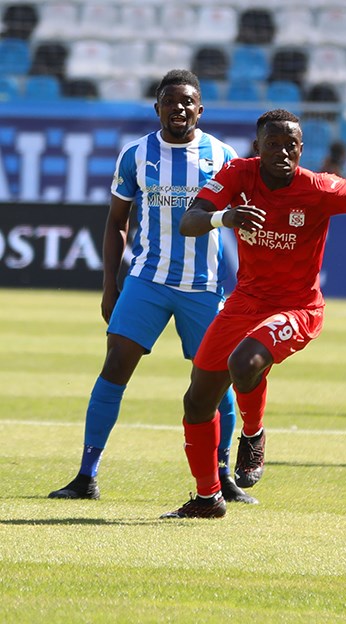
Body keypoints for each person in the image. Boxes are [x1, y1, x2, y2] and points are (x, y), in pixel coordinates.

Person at [161, 109, 346, 518]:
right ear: (257, 147)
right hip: (245, 302)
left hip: (297, 308)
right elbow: (189, 221)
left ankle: (253, 434)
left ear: (301, 149)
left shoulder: (319, 187)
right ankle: (208, 498)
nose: (283, 152)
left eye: (291, 146)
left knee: (244, 363)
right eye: (273, 144)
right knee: (197, 400)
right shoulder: (237, 174)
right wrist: (223, 217)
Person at [48, 69, 255, 505]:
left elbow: (244, 222)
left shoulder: (222, 156)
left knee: (216, 383)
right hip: (147, 281)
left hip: (204, 287)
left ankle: (221, 476)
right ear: (156, 107)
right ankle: (86, 475)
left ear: (200, 109)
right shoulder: (136, 155)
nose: (179, 108)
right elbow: (116, 223)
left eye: (187, 101)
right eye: (170, 101)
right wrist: (110, 286)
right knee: (114, 368)